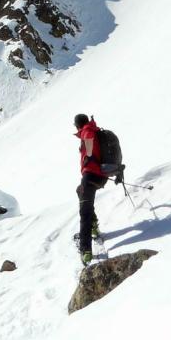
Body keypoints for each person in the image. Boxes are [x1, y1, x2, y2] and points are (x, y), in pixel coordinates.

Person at [74, 113, 108, 264]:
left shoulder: (87, 131)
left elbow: (88, 141)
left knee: (84, 213)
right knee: (79, 191)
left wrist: (87, 154)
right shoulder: (93, 130)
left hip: (90, 175)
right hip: (100, 176)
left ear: (78, 125)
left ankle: (86, 251)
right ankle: (93, 226)